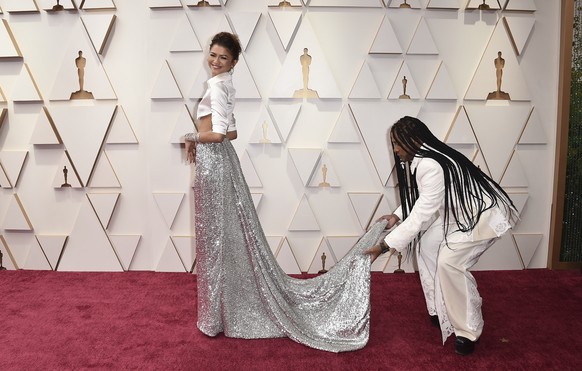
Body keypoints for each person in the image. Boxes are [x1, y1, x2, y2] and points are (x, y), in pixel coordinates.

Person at [184, 32, 386, 353]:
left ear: (234, 62)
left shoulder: (217, 86)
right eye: (213, 55)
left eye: (223, 57)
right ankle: (219, 311)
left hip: (215, 165)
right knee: (224, 236)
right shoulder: (226, 85)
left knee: (217, 237)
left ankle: (215, 317)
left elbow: (220, 134)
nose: (215, 61)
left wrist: (190, 135)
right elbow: (231, 131)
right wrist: (201, 136)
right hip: (221, 164)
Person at [365, 116, 519, 356]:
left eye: (397, 143)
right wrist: (396, 216)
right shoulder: (427, 157)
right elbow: (423, 198)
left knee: (450, 263)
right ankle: (442, 308)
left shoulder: (429, 164)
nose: (395, 149)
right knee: (426, 246)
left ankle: (469, 331)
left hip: (482, 216)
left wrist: (383, 247)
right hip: (459, 214)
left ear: (413, 140)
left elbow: (420, 216)